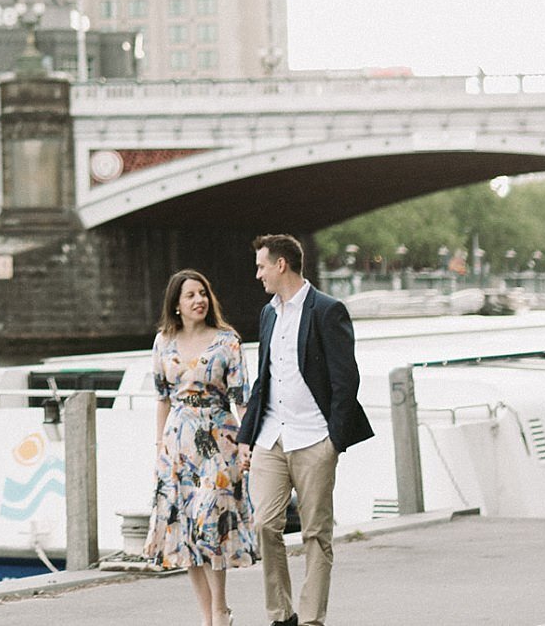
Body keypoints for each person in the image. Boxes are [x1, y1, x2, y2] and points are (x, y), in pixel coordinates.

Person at [235, 234, 373, 626]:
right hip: (271, 437)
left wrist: (334, 441)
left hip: (314, 438)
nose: (258, 274)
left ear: (282, 265)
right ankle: (282, 614)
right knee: (265, 523)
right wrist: (247, 437)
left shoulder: (328, 311)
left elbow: (346, 381)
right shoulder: (268, 313)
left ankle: (311, 619)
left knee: (316, 533)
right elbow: (263, 380)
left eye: (262, 266)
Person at [143, 268, 254, 625]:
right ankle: (206, 615)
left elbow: (243, 399)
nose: (199, 300)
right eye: (190, 295)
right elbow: (162, 397)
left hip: (220, 438)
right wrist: (159, 445)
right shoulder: (163, 342)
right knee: (185, 529)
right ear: (176, 304)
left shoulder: (227, 341)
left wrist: (247, 442)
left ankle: (221, 608)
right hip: (178, 443)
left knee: (211, 521)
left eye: (202, 293)